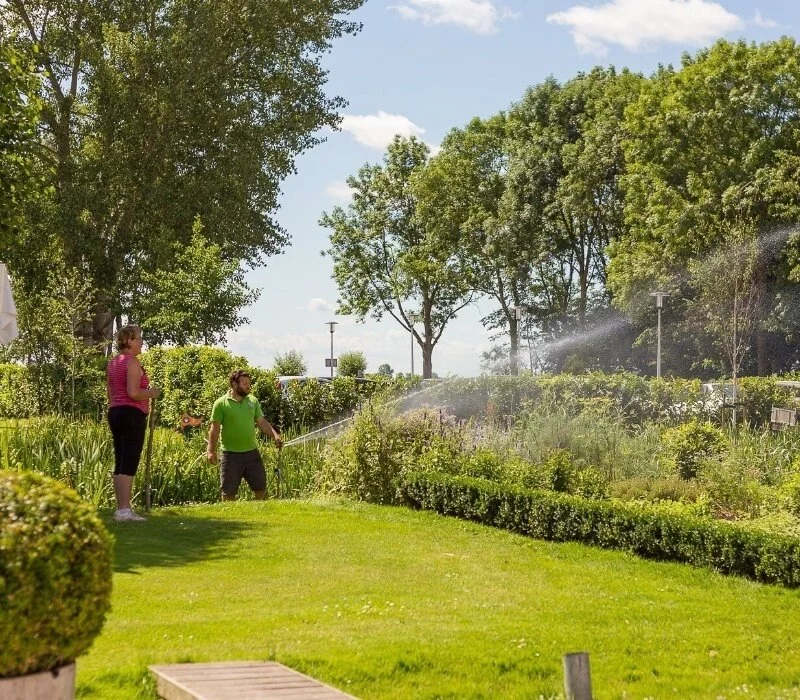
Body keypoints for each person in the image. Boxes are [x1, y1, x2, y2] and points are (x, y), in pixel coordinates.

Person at [106, 325, 160, 522]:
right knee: (129, 461)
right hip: (131, 414)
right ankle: (124, 510)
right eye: (139, 338)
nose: (141, 342)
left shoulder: (113, 363)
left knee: (120, 461)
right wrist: (152, 393)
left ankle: (121, 508)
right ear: (129, 340)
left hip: (115, 412)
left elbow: (110, 394)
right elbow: (134, 393)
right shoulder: (132, 362)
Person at [207, 369, 282, 500]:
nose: (248, 386)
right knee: (228, 493)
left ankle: (262, 512)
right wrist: (210, 451)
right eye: (245, 383)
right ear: (234, 384)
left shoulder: (252, 401)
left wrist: (275, 435)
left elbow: (262, 422)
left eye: (249, 383)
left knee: (261, 490)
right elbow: (215, 429)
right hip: (230, 455)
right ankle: (228, 513)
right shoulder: (220, 404)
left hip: (252, 453)